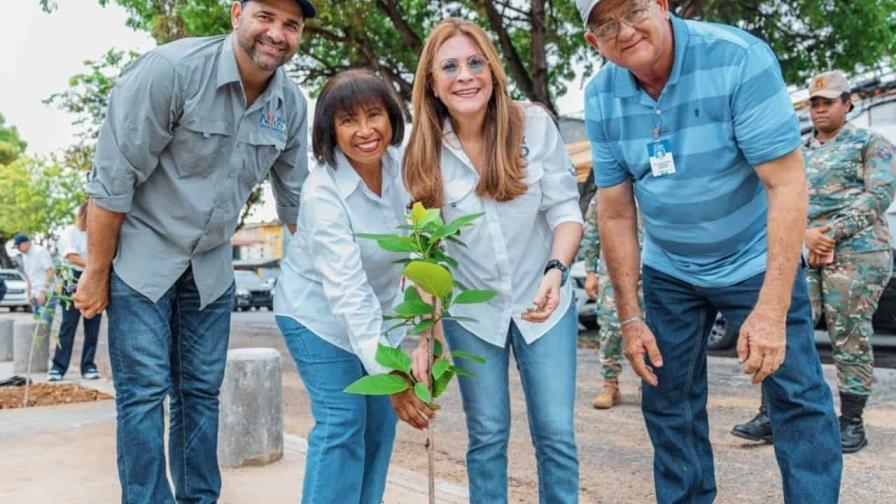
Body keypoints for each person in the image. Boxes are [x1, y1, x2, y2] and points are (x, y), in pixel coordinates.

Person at [577, 0, 842, 502]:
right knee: (666, 399)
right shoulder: (601, 96)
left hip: (752, 257)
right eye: (606, 24)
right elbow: (615, 211)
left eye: (633, 10)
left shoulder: (738, 58)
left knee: (796, 396)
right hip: (670, 268)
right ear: (594, 42)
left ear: (661, 4)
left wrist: (770, 308)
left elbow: (785, 183)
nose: (625, 31)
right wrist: (631, 319)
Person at [74, 0, 314, 501]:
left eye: (291, 25)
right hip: (143, 256)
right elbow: (112, 181)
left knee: (201, 394)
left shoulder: (290, 106)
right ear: (235, 15)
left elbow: (296, 204)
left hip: (210, 265)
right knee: (143, 396)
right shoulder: (171, 73)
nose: (277, 33)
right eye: (265, 16)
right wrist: (96, 272)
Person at [405, 18, 584, 503]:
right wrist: (426, 335)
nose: (465, 75)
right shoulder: (424, 150)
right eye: (449, 67)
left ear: (492, 70)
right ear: (433, 84)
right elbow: (426, 253)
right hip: (473, 314)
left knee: (556, 434)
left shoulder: (535, 125)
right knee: (486, 436)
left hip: (543, 302)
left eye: (474, 62)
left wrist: (556, 271)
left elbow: (566, 211)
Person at [274, 69, 434, 503]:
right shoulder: (322, 192)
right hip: (317, 316)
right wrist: (392, 373)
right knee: (343, 421)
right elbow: (346, 291)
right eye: (348, 120)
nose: (365, 131)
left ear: (391, 117)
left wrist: (419, 336)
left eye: (374, 114)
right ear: (330, 130)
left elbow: (427, 245)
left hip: (379, 311)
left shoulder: (405, 165)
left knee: (380, 425)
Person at [732, 71, 896, 453]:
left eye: (828, 101)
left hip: (858, 252)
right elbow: (777, 197)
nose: (820, 109)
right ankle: (772, 414)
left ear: (847, 103)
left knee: (848, 332)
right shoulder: (799, 152)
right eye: (814, 103)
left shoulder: (871, 143)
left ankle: (851, 422)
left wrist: (831, 232)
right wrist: (806, 235)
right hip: (803, 249)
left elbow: (879, 196)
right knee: (787, 327)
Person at [577, 193, 643, 409]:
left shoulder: (652, 187)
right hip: (613, 271)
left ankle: (650, 385)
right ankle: (610, 383)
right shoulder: (607, 192)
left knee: (655, 328)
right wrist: (590, 271)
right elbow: (592, 231)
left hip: (652, 270)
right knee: (611, 329)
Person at [47, 202, 102, 382]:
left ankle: (88, 366)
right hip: (73, 279)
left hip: (95, 278)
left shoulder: (99, 233)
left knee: (92, 326)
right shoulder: (70, 232)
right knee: (68, 326)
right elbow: (71, 257)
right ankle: (58, 367)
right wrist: (97, 266)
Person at [14, 232, 55, 325]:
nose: (18, 249)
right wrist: (28, 294)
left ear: (25, 243)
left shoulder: (40, 252)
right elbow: (29, 276)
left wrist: (43, 292)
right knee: (36, 325)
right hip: (35, 295)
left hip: (46, 293)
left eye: (18, 246)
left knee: (44, 325)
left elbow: (50, 272)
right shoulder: (25, 256)